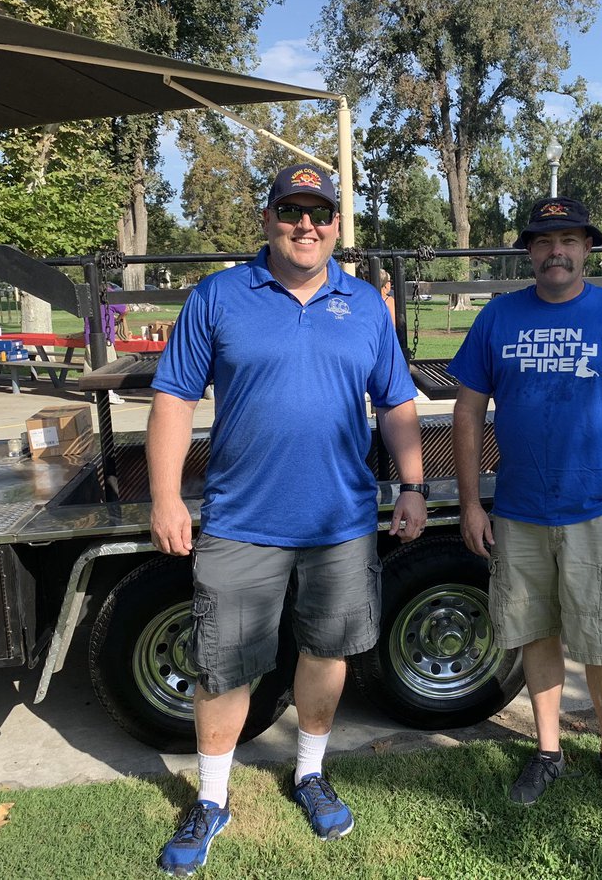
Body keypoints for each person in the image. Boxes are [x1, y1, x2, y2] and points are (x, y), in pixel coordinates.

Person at [148, 163, 428, 875]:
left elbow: (396, 402)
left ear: (336, 223)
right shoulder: (219, 295)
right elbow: (174, 398)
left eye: (320, 212)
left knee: (326, 653)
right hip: (240, 520)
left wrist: (413, 485)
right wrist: (165, 496)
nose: (307, 225)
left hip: (340, 522)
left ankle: (309, 773)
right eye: (292, 210)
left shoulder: (365, 305)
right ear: (269, 218)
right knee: (223, 665)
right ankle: (212, 798)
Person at [449, 196, 602, 816]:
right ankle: (548, 749)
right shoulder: (498, 317)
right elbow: (467, 410)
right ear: (529, 251)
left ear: (586, 249)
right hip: (519, 512)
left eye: (570, 240)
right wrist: (471, 502)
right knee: (535, 632)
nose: (558, 252)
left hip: (597, 512)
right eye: (545, 241)